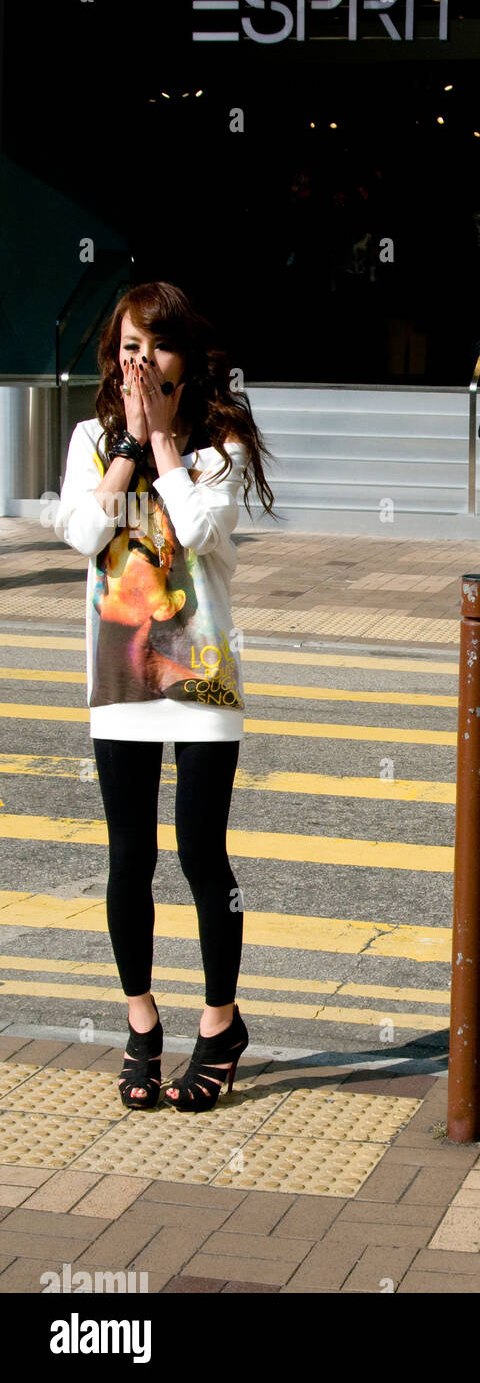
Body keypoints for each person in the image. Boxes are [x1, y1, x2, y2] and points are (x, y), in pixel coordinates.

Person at [53, 281, 275, 1113]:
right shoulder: (88, 438)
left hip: (203, 673)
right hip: (120, 675)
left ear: (185, 357)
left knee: (201, 855)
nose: (138, 362)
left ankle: (220, 1024)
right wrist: (124, 450)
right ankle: (140, 1022)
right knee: (128, 859)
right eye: (126, 347)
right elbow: (81, 531)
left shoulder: (218, 444)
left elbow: (201, 533)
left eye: (155, 346)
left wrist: (166, 449)